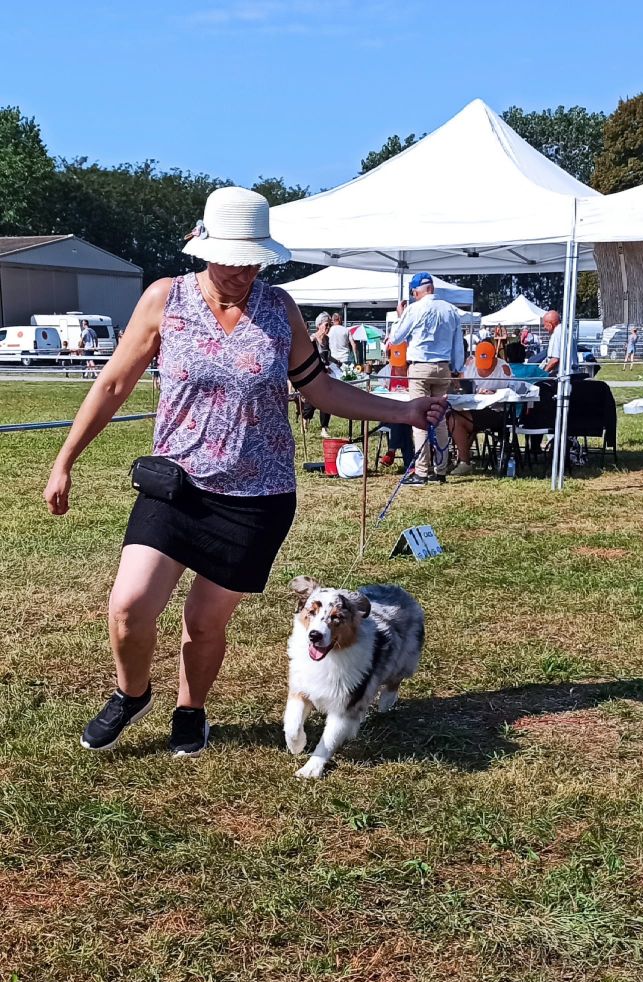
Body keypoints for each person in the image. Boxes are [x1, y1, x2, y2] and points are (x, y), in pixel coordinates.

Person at [43, 186, 446, 758]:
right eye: (231, 257)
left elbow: (320, 387)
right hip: (177, 485)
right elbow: (112, 383)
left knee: (204, 622)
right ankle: (132, 693)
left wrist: (401, 410)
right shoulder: (165, 299)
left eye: (251, 258)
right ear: (203, 247)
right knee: (129, 607)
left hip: (259, 497)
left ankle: (191, 710)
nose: (241, 270)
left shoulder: (279, 309)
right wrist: (65, 461)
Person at [389, 271, 464, 487]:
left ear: (418, 291)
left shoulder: (415, 309)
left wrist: (400, 315)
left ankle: (422, 472)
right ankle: (440, 470)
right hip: (443, 368)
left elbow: (396, 338)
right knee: (439, 420)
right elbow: (458, 344)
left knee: (419, 419)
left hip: (420, 368)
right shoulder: (450, 310)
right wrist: (456, 369)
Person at [450, 340, 512, 476]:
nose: (484, 368)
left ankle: (464, 461)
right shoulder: (470, 363)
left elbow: (512, 391)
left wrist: (494, 393)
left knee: (455, 420)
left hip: (495, 411)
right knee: (452, 416)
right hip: (472, 407)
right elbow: (462, 385)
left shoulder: (503, 368)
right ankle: (459, 457)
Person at [300, 312, 333, 438]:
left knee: (327, 401)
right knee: (311, 401)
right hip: (314, 375)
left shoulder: (327, 340)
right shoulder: (312, 339)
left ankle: (324, 428)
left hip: (325, 374)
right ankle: (305, 420)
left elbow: (327, 356)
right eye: (326, 325)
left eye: (329, 325)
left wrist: (335, 363)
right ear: (319, 325)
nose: (328, 327)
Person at [541, 310, 578, 376]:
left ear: (550, 324)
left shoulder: (557, 334)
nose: (544, 327)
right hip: (572, 374)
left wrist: (542, 374)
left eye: (545, 325)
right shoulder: (567, 331)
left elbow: (555, 360)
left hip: (562, 376)